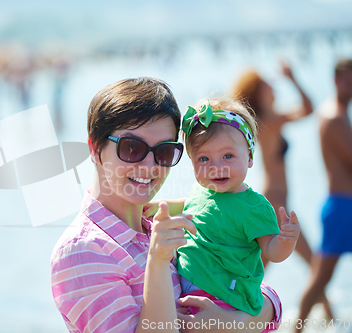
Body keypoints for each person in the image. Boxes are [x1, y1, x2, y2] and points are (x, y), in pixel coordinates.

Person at [51, 77, 282, 333]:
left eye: (163, 151)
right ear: (95, 148)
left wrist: (234, 323)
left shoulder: (159, 227)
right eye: (131, 148)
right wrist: (158, 262)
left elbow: (255, 292)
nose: (149, 167)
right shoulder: (84, 251)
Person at [145, 98, 300, 318]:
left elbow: (271, 251)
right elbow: (188, 205)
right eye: (204, 158)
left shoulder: (254, 207)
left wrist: (286, 241)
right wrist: (156, 206)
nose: (216, 167)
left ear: (249, 157)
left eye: (228, 156)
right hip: (190, 286)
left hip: (226, 295)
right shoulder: (202, 191)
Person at [231, 63, 333, 318]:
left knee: (262, 269)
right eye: (267, 84)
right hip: (277, 204)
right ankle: (318, 320)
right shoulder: (270, 120)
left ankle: (240, 313)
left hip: (275, 202)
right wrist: (293, 77)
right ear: (258, 91)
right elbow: (309, 108)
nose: (272, 86)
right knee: (313, 262)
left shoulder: (268, 119)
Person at [296, 59, 352, 330]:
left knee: (321, 277)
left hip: (344, 205)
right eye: (348, 80)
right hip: (343, 207)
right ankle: (297, 327)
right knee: (321, 278)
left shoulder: (340, 112)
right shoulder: (334, 116)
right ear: (336, 80)